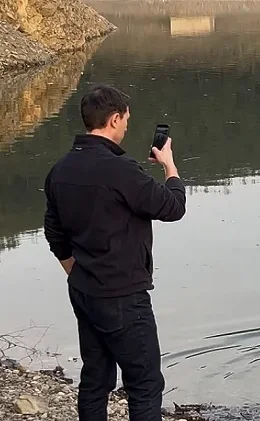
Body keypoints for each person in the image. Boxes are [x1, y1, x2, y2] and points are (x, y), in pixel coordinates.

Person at [43, 84, 186, 421]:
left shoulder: (60, 170)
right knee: (145, 384)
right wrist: (169, 166)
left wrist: (76, 271)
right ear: (114, 119)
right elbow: (173, 207)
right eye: (126, 120)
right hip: (123, 295)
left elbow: (54, 233)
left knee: (96, 380)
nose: (126, 127)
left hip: (84, 291)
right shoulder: (121, 170)